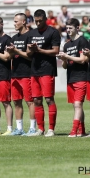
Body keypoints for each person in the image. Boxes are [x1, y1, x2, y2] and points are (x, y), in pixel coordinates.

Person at [26, 9, 61, 137]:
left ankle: (51, 129)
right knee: (36, 100)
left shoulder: (53, 32)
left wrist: (39, 50)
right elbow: (28, 53)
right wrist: (32, 50)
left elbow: (56, 51)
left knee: (48, 99)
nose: (38, 23)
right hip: (34, 70)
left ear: (45, 19)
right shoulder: (32, 33)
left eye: (40, 21)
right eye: (36, 21)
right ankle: (40, 129)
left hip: (48, 69)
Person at [57, 18, 89, 137]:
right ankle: (82, 130)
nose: (68, 30)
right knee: (76, 106)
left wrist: (67, 56)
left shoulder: (82, 41)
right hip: (70, 78)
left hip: (81, 77)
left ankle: (74, 131)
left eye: (71, 28)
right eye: (67, 28)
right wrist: (64, 59)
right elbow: (65, 66)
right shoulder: (67, 44)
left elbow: (83, 60)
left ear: (77, 28)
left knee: (77, 105)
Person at [6, 13, 36, 136]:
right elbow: (11, 56)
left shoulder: (30, 36)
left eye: (16, 21)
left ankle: (33, 128)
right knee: (17, 101)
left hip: (27, 74)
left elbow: (30, 56)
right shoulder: (14, 38)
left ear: (23, 22)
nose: (14, 24)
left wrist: (16, 51)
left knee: (30, 101)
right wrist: (10, 53)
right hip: (15, 74)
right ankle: (19, 128)